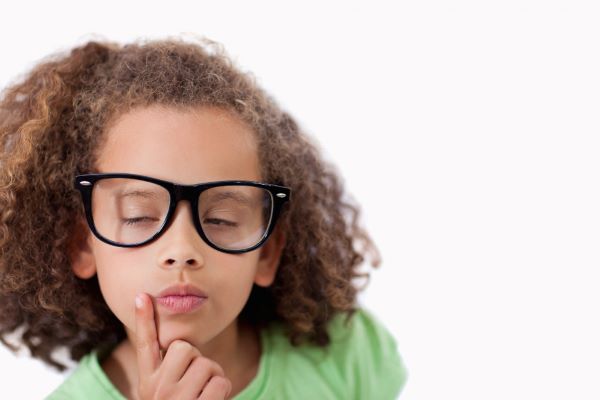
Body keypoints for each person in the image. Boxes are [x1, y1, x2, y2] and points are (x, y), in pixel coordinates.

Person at [0, 37, 407, 399]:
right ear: (82, 245)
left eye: (222, 219)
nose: (182, 251)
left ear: (267, 252)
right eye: (140, 216)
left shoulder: (345, 353)